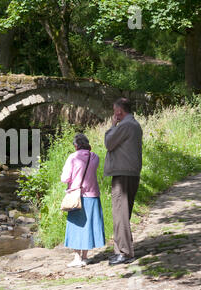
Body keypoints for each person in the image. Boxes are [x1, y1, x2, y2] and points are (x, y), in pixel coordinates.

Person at [104, 97, 143, 265]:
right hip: (130, 173)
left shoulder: (126, 125)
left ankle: (125, 253)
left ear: (119, 111)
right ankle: (120, 250)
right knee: (122, 213)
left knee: (120, 213)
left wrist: (112, 125)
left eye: (115, 112)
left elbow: (108, 142)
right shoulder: (134, 125)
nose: (114, 115)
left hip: (123, 174)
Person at [61, 133, 106, 267]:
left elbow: (65, 178)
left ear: (75, 145)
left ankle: (76, 258)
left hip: (77, 196)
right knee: (88, 226)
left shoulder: (73, 157)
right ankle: (85, 257)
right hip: (93, 196)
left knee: (76, 226)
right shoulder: (95, 157)